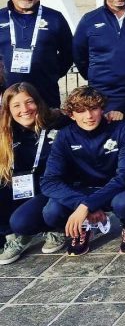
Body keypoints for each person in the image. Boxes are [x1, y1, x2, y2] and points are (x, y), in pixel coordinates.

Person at [41, 86, 125, 256]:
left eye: (94, 109)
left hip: (113, 189)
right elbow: (49, 181)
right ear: (71, 115)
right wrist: (82, 204)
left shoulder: (122, 128)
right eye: (81, 111)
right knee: (51, 212)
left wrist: (87, 205)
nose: (89, 116)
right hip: (81, 190)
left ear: (102, 109)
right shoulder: (64, 136)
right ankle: (82, 229)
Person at [0, 83, 68, 264]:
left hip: (54, 188)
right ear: (8, 110)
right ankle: (14, 236)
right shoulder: (7, 132)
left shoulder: (59, 123)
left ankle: (55, 228)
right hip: (25, 187)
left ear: (38, 102)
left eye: (29, 102)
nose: (24, 109)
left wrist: (111, 114)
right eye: (16, 105)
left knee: (30, 218)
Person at [0, 0, 72, 108]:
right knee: (8, 130)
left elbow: (69, 53)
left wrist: (52, 74)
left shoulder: (55, 18)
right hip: (8, 93)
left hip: (45, 93)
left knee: (46, 129)